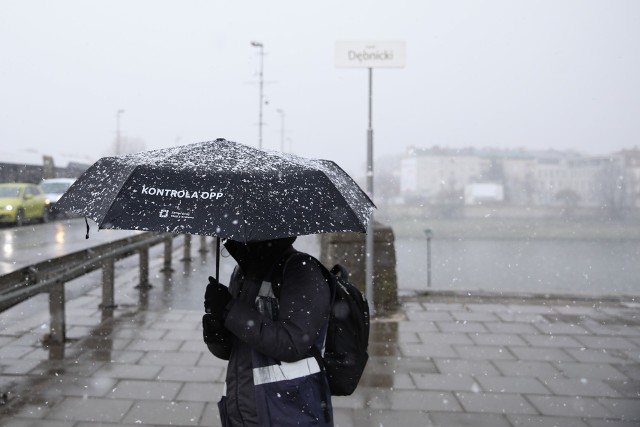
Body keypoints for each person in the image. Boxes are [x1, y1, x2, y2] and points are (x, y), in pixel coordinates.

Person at [202, 237, 334, 426]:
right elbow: (233, 349)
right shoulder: (242, 273)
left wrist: (229, 309)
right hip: (242, 409)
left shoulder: (302, 270)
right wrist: (216, 328)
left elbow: (293, 343)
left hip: (288, 411)